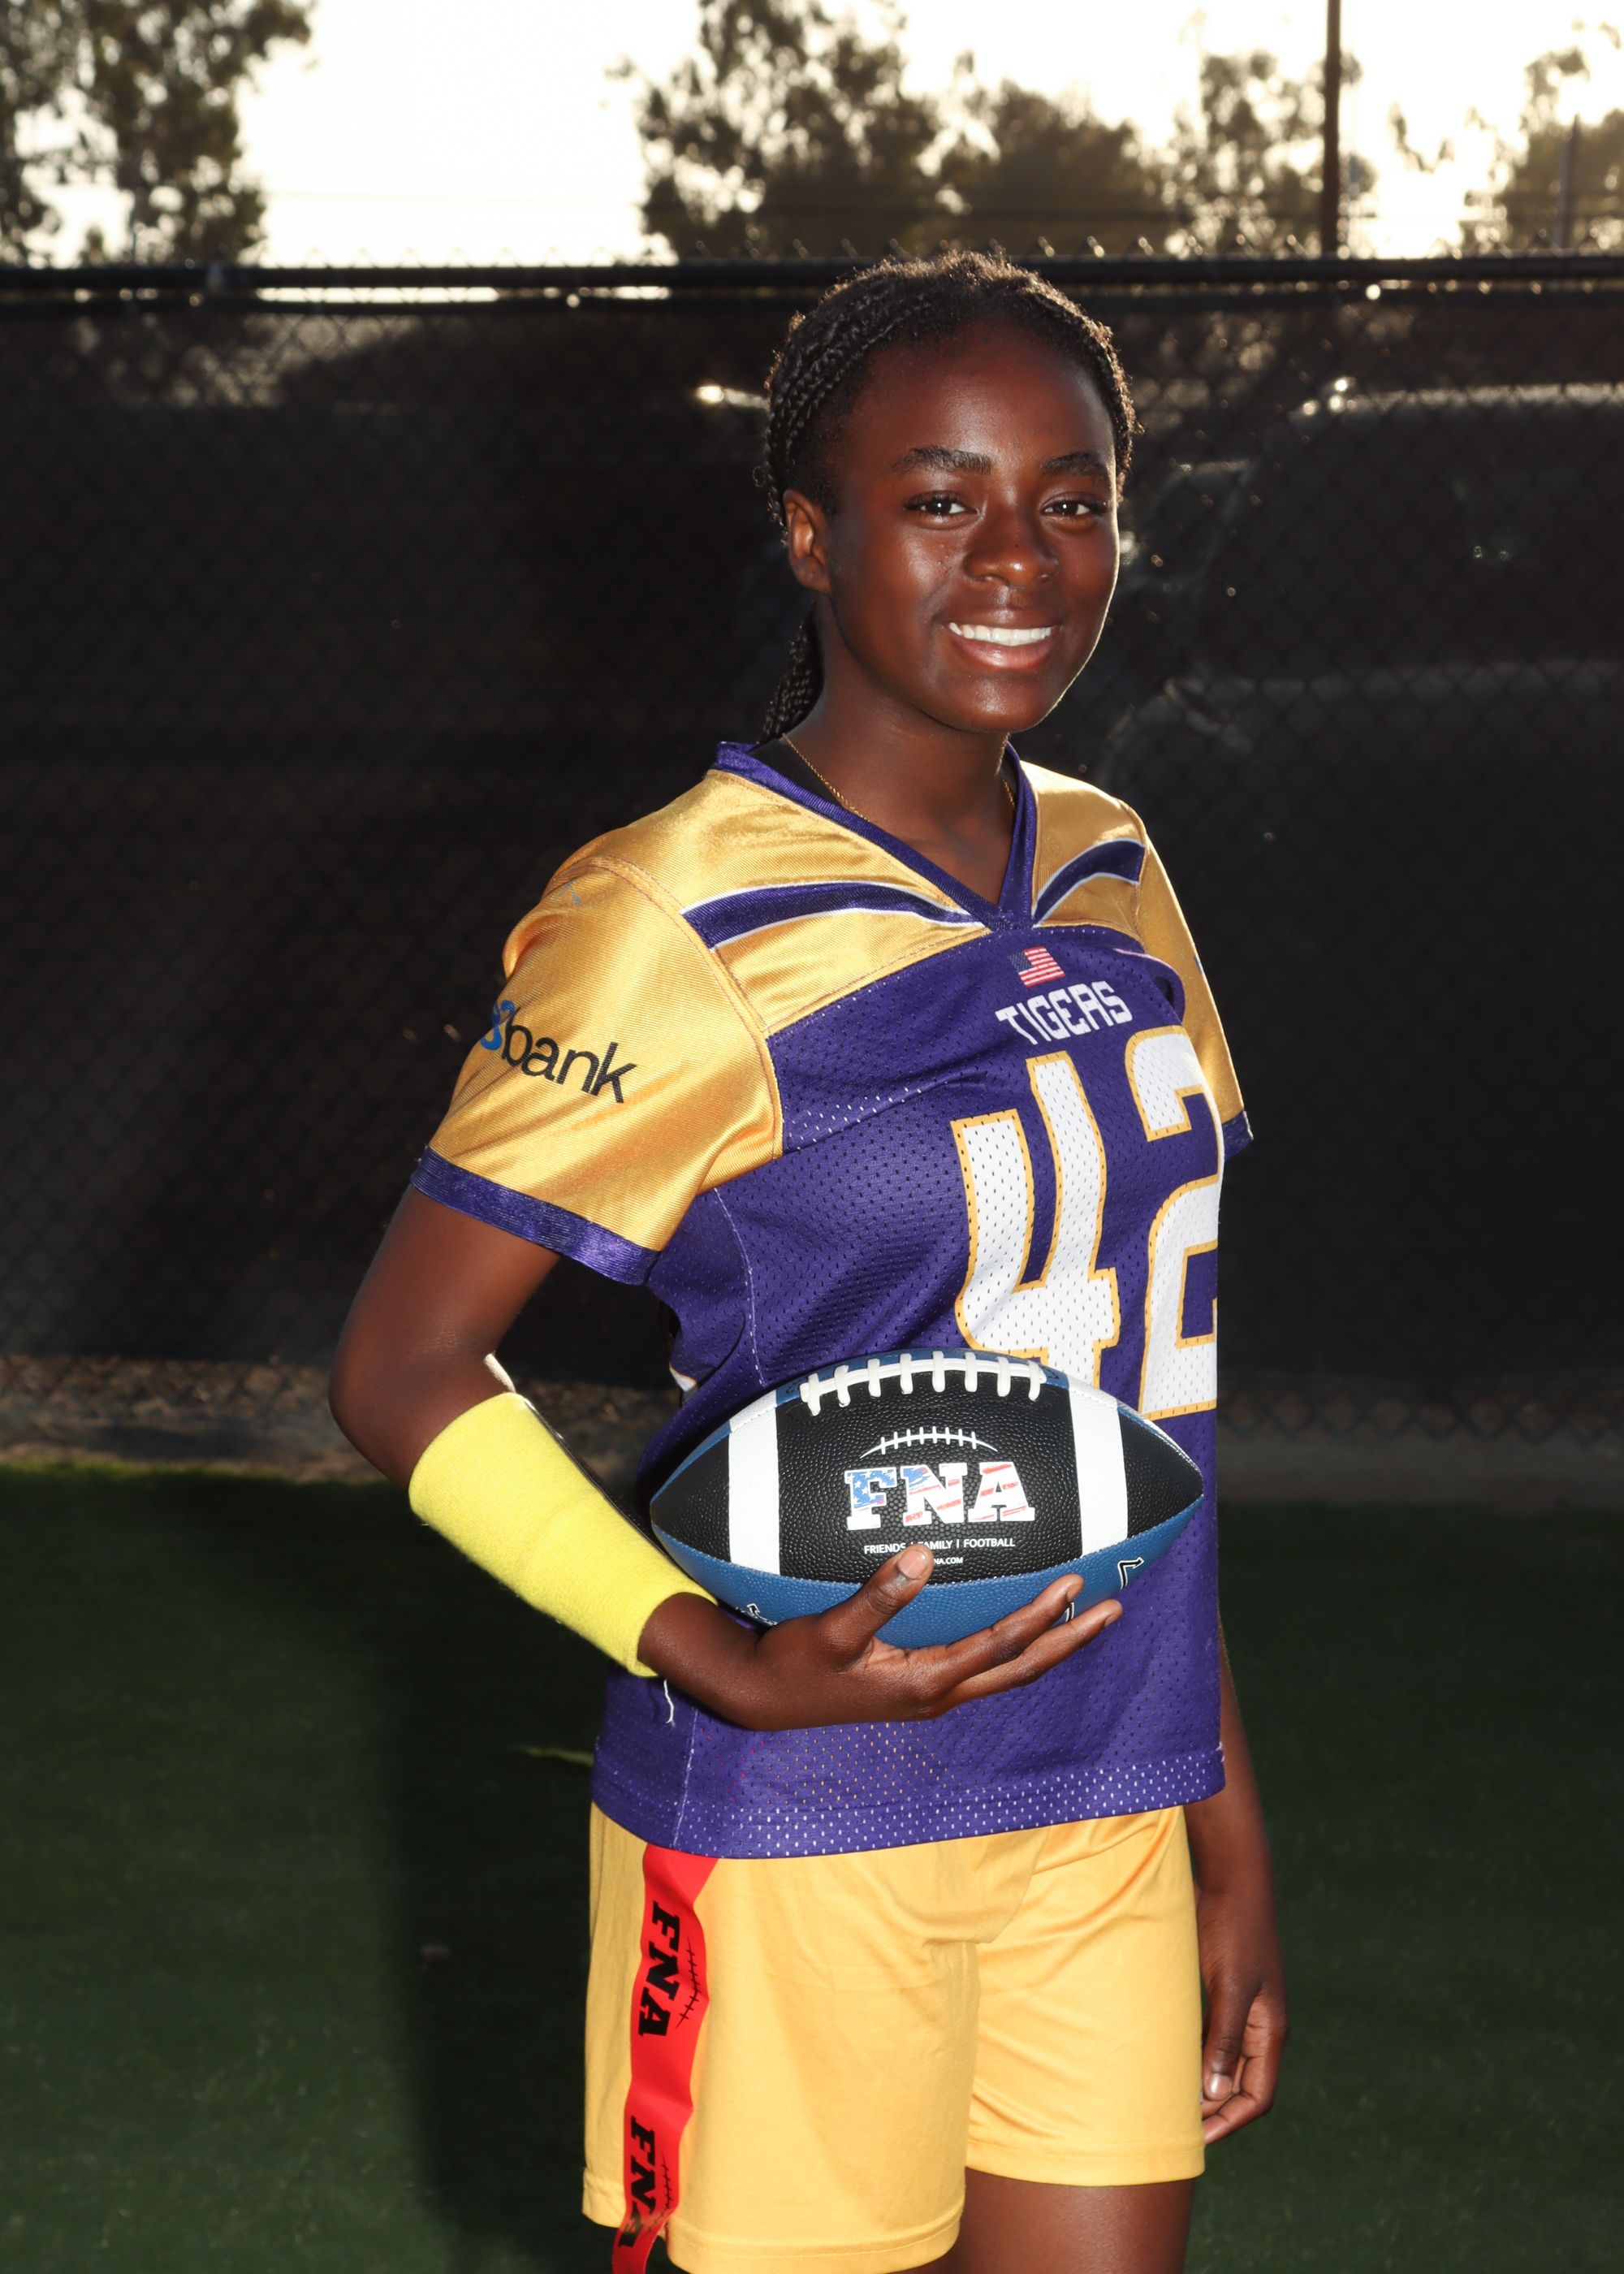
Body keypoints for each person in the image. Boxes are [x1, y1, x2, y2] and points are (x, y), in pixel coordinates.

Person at [330, 251, 1286, 2274]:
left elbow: (1131, 1408)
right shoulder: (670, 914)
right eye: (940, 497)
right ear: (808, 532)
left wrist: (1223, 1820)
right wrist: (706, 1650)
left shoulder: (1118, 866)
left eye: (1072, 498)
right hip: (798, 1815)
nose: (1017, 555)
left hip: (1103, 1799)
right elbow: (402, 1367)